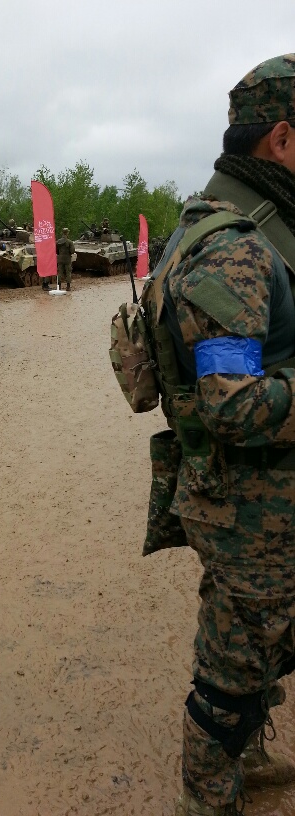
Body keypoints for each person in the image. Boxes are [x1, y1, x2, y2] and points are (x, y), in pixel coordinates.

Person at [150, 54, 295, 815]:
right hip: (249, 506)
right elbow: (231, 400)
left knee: (261, 645)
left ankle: (252, 762)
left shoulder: (233, 220)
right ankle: (208, 801)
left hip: (251, 500)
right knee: (232, 673)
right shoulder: (238, 244)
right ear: (281, 140)